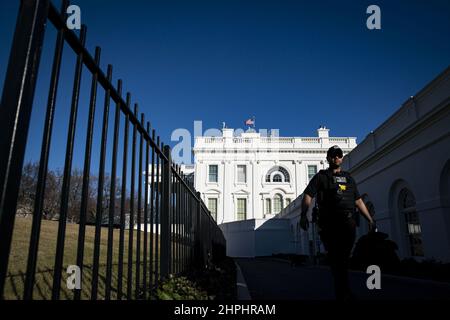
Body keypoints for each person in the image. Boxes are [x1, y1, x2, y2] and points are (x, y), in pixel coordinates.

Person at [300, 145, 375, 300]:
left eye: (339, 155)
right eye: (333, 155)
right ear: (328, 158)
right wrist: (303, 215)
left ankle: (343, 290)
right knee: (337, 258)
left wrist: (370, 219)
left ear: (342, 158)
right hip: (330, 224)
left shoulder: (349, 178)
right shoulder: (321, 177)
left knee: (343, 259)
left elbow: (358, 201)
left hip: (348, 223)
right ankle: (343, 292)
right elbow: (308, 195)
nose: (336, 158)